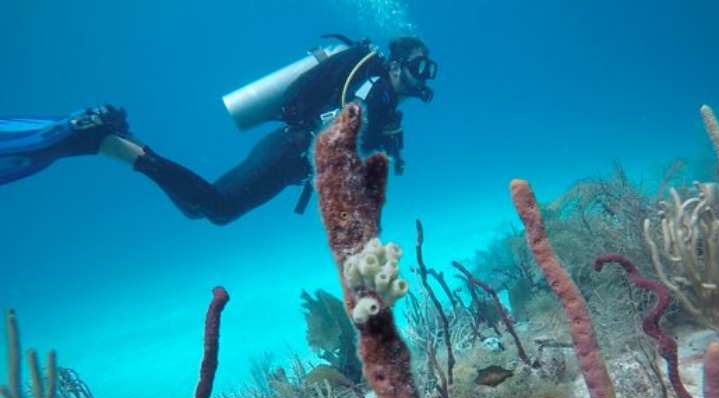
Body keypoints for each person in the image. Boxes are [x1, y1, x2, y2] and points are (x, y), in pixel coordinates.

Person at [0, 35, 437, 224]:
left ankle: (122, 144)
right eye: (419, 67)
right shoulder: (375, 90)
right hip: (290, 152)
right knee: (219, 209)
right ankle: (111, 144)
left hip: (290, 156)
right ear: (397, 65)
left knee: (202, 210)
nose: (424, 76)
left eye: (427, 69)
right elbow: (340, 131)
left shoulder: (383, 100)